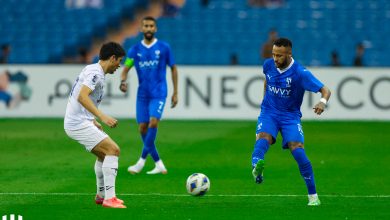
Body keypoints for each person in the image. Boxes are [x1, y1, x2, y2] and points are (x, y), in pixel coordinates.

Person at [251, 38, 331, 206]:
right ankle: (256, 169)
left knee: (298, 150)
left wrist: (322, 102)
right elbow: (267, 79)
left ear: (289, 54)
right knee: (263, 137)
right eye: (273, 54)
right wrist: (265, 100)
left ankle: (313, 197)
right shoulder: (268, 65)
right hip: (269, 112)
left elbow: (325, 90)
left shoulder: (300, 73)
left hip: (290, 116)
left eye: (279, 56)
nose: (275, 59)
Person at [64, 42, 126, 208]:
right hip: (77, 123)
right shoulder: (95, 73)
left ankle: (101, 196)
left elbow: (81, 96)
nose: (119, 65)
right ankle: (110, 199)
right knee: (113, 150)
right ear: (112, 58)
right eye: (119, 60)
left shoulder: (93, 70)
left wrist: (92, 120)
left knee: (104, 155)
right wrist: (103, 117)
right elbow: (82, 97)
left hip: (79, 121)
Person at [120, 16, 178, 175]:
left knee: (153, 122)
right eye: (145, 26)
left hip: (159, 92)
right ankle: (159, 163)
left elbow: (173, 68)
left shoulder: (164, 47)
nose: (148, 28)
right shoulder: (134, 51)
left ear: (155, 28)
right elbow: (126, 68)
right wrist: (123, 81)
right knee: (142, 127)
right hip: (143, 95)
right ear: (141, 28)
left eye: (151, 26)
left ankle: (141, 162)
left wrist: (175, 92)